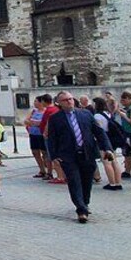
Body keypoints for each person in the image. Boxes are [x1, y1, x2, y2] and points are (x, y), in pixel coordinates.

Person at [46, 91, 113, 223]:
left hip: (87, 153)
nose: (69, 101)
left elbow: (98, 132)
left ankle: (85, 203)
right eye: (65, 100)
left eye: (70, 99)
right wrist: (54, 156)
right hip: (68, 155)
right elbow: (51, 138)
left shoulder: (85, 114)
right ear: (59, 103)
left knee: (87, 181)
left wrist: (107, 148)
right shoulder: (55, 118)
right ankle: (81, 210)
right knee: (74, 181)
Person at [93, 96, 123, 191]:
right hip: (112, 139)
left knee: (107, 162)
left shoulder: (97, 116)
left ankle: (112, 183)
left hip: (103, 140)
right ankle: (118, 182)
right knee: (114, 161)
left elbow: (99, 129)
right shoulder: (108, 114)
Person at [39, 93, 65, 184]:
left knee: (53, 156)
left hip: (50, 136)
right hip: (55, 136)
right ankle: (62, 175)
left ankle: (60, 176)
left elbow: (47, 124)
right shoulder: (56, 110)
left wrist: (45, 133)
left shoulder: (50, 111)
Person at [24, 97, 48, 178]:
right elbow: (26, 121)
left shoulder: (45, 111)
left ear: (41, 102)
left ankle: (48, 170)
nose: (34, 103)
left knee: (45, 153)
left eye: (36, 101)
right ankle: (42, 170)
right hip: (33, 134)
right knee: (35, 152)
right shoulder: (33, 111)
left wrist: (35, 123)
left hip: (41, 135)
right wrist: (34, 123)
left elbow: (44, 123)